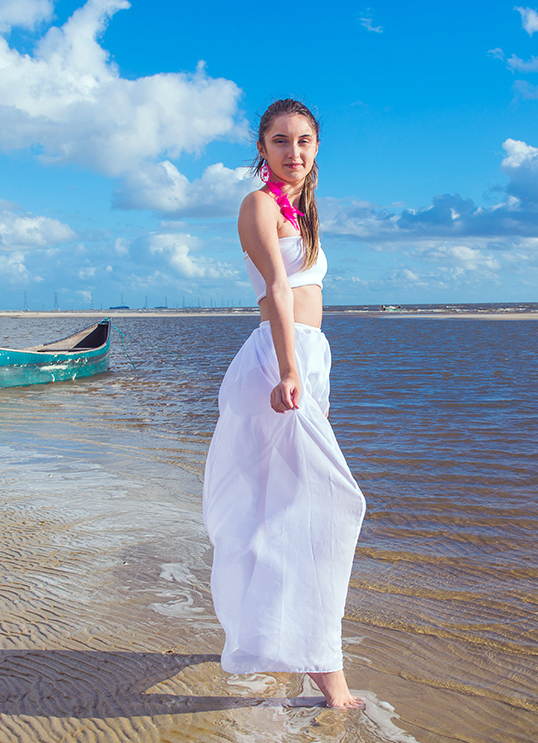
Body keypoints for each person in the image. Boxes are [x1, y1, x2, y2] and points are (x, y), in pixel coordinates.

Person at [203, 99, 366, 709]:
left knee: (280, 508)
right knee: (328, 505)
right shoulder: (260, 205)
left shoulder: (303, 208)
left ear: (316, 147)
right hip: (281, 362)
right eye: (280, 141)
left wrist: (309, 369)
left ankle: (260, 636)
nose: (293, 152)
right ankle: (330, 678)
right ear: (261, 148)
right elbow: (275, 291)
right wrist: (292, 371)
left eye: (303, 141)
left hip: (306, 360)